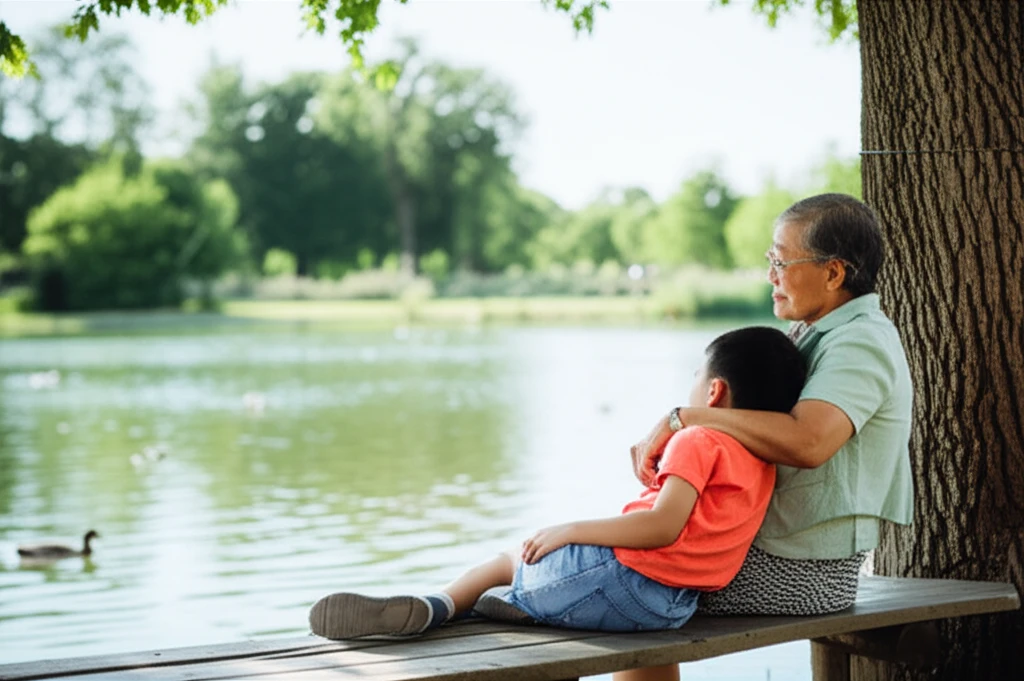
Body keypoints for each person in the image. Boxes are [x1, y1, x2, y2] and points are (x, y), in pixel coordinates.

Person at [308, 326, 806, 640]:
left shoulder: (697, 439)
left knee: (511, 559)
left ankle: (437, 605)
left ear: (714, 392)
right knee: (527, 580)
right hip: (672, 609)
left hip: (624, 581)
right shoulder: (762, 459)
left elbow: (661, 526)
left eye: (697, 377)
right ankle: (514, 608)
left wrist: (570, 529)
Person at [623, 193, 914, 681]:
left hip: (805, 573)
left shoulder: (860, 341)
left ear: (834, 273)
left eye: (781, 261)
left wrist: (684, 418)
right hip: (776, 552)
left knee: (626, 586)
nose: (770, 274)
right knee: (618, 571)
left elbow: (808, 442)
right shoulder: (817, 331)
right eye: (769, 261)